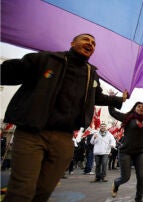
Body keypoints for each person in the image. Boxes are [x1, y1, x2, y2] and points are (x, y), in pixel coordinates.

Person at [0, 33, 126, 202]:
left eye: (94, 43)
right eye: (86, 40)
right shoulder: (47, 60)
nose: (90, 44)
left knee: (43, 191)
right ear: (72, 42)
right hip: (32, 134)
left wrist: (120, 99)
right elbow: (11, 71)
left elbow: (97, 96)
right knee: (22, 190)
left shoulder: (91, 74)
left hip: (64, 139)